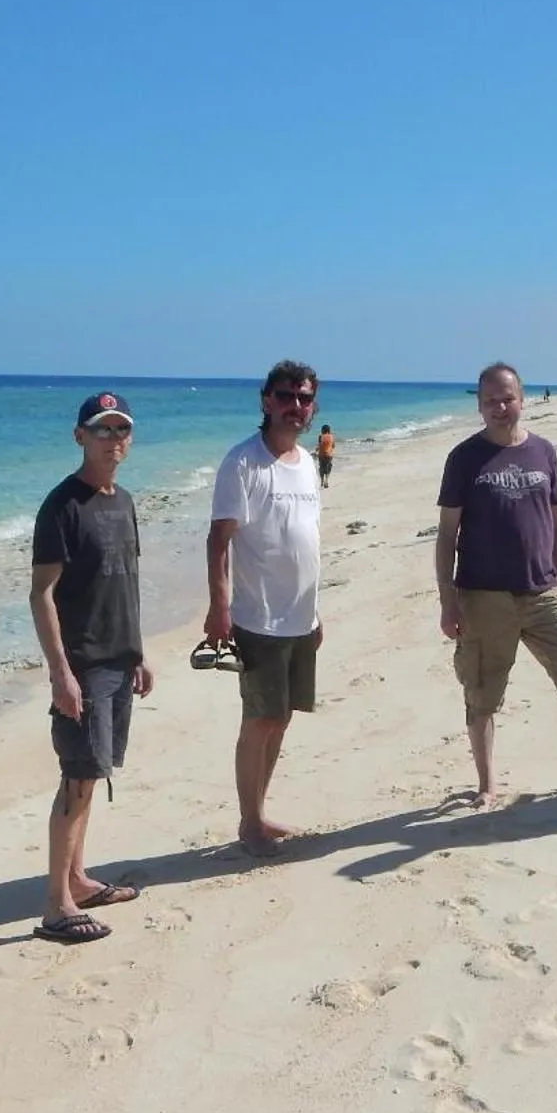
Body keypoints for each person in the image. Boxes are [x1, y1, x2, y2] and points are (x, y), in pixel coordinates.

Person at [436, 363, 557, 805]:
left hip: (543, 592)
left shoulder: (543, 451)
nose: (500, 408)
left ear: (522, 399)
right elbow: (447, 534)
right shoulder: (464, 458)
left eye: (507, 399)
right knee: (482, 694)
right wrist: (448, 601)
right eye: (490, 401)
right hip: (483, 596)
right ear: (479, 406)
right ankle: (487, 785)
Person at [27, 391, 154, 944]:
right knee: (77, 778)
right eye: (102, 429)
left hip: (119, 660)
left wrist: (138, 652)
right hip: (83, 665)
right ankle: (56, 906)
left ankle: (77, 880)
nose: (112, 439)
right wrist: (61, 672)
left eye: (120, 429)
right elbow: (42, 594)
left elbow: (124, 582)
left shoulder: (123, 501)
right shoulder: (62, 506)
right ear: (80, 436)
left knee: (93, 774)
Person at [204, 360, 323, 855]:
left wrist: (316, 615)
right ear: (266, 401)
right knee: (259, 721)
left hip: (301, 618)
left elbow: (306, 539)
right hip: (259, 618)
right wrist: (219, 606)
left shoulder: (308, 463)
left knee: (282, 718)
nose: (295, 406)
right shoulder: (243, 462)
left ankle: (259, 810)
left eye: (304, 398)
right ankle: (248, 823)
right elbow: (219, 540)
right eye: (286, 396)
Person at [315, 424, 336, 489]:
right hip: (329, 455)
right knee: (328, 468)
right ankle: (326, 481)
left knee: (321, 467)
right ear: (329, 430)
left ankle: (322, 481)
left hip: (321, 455)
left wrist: (316, 450)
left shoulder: (320, 436)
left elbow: (319, 445)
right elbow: (333, 446)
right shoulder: (331, 436)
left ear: (323, 430)